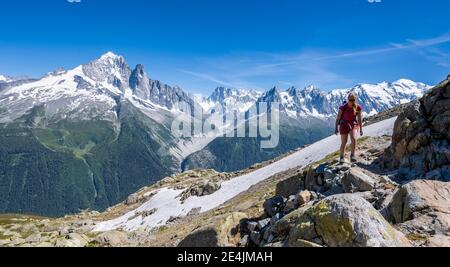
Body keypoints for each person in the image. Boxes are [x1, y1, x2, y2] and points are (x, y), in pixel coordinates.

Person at [335, 93, 363, 163]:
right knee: (344, 142)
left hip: (353, 124)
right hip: (344, 125)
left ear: (355, 99)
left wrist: (361, 129)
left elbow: (359, 118)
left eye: (353, 99)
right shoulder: (343, 107)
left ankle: (352, 155)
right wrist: (336, 128)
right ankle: (341, 157)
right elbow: (338, 118)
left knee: (353, 138)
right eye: (350, 100)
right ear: (348, 100)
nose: (352, 101)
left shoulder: (358, 107)